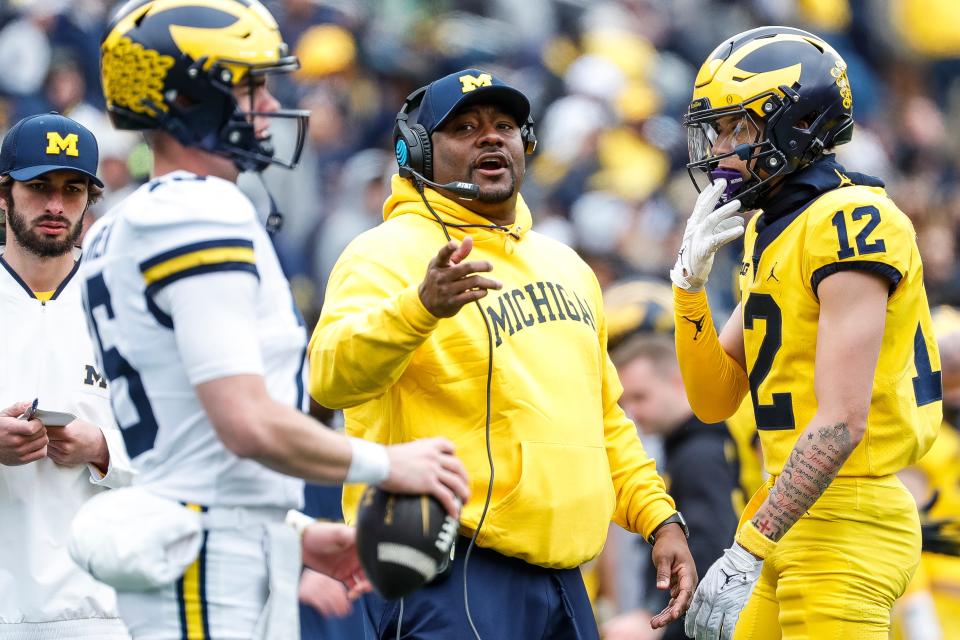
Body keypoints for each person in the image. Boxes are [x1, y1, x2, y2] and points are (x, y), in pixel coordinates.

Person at [84, 2, 469, 638]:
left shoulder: (127, 220)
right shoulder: (201, 212)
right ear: (190, 97)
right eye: (247, 85)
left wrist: (290, 530)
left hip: (199, 542)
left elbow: (192, 442)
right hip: (203, 564)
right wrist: (386, 465)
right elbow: (246, 420)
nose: (267, 106)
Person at [309, 68, 697, 639]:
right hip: (451, 572)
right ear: (417, 149)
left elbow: (606, 420)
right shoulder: (381, 254)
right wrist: (419, 308)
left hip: (564, 580)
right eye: (465, 127)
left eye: (505, 126)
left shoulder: (568, 266)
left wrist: (658, 517)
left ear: (526, 144)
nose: (490, 137)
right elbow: (329, 380)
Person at [670, 26, 942, 639]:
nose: (718, 148)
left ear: (793, 124)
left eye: (735, 127)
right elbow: (713, 398)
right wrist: (688, 288)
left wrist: (747, 544)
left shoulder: (848, 218)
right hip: (794, 514)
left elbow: (842, 421)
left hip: (849, 514)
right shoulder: (783, 229)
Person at [0, 112, 133, 638]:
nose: (56, 206)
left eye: (72, 189)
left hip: (101, 612)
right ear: (3, 194)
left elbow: (180, 453)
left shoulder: (125, 300)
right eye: (38, 187)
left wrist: (101, 449)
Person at [602, 334, 740, 640]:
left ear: (678, 382)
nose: (632, 413)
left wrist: (657, 623)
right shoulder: (689, 448)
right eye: (625, 403)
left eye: (640, 397)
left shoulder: (698, 456)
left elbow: (708, 550)